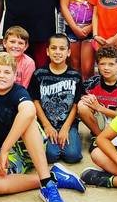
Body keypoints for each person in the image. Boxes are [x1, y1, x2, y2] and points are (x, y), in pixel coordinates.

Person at [0, 51, 85, 202]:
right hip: (9, 154)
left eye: (7, 72)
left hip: (29, 147)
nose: (1, 76)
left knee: (27, 117)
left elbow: (28, 110)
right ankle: (52, 178)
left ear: (15, 76)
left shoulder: (18, 91)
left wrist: (5, 149)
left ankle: (47, 185)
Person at [28, 34, 83, 164]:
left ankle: (73, 136)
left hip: (67, 124)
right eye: (54, 48)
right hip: (46, 123)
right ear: (47, 51)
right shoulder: (39, 74)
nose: (58, 52)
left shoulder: (75, 76)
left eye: (62, 49)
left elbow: (75, 104)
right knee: (50, 156)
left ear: (68, 52)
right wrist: (46, 126)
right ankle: (53, 143)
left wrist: (65, 128)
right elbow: (35, 101)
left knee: (72, 156)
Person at [78, 46, 117, 151]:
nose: (106, 68)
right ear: (98, 65)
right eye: (102, 64)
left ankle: (107, 139)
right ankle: (99, 136)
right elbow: (81, 102)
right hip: (100, 120)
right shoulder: (92, 83)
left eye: (111, 64)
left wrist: (99, 108)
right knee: (81, 106)